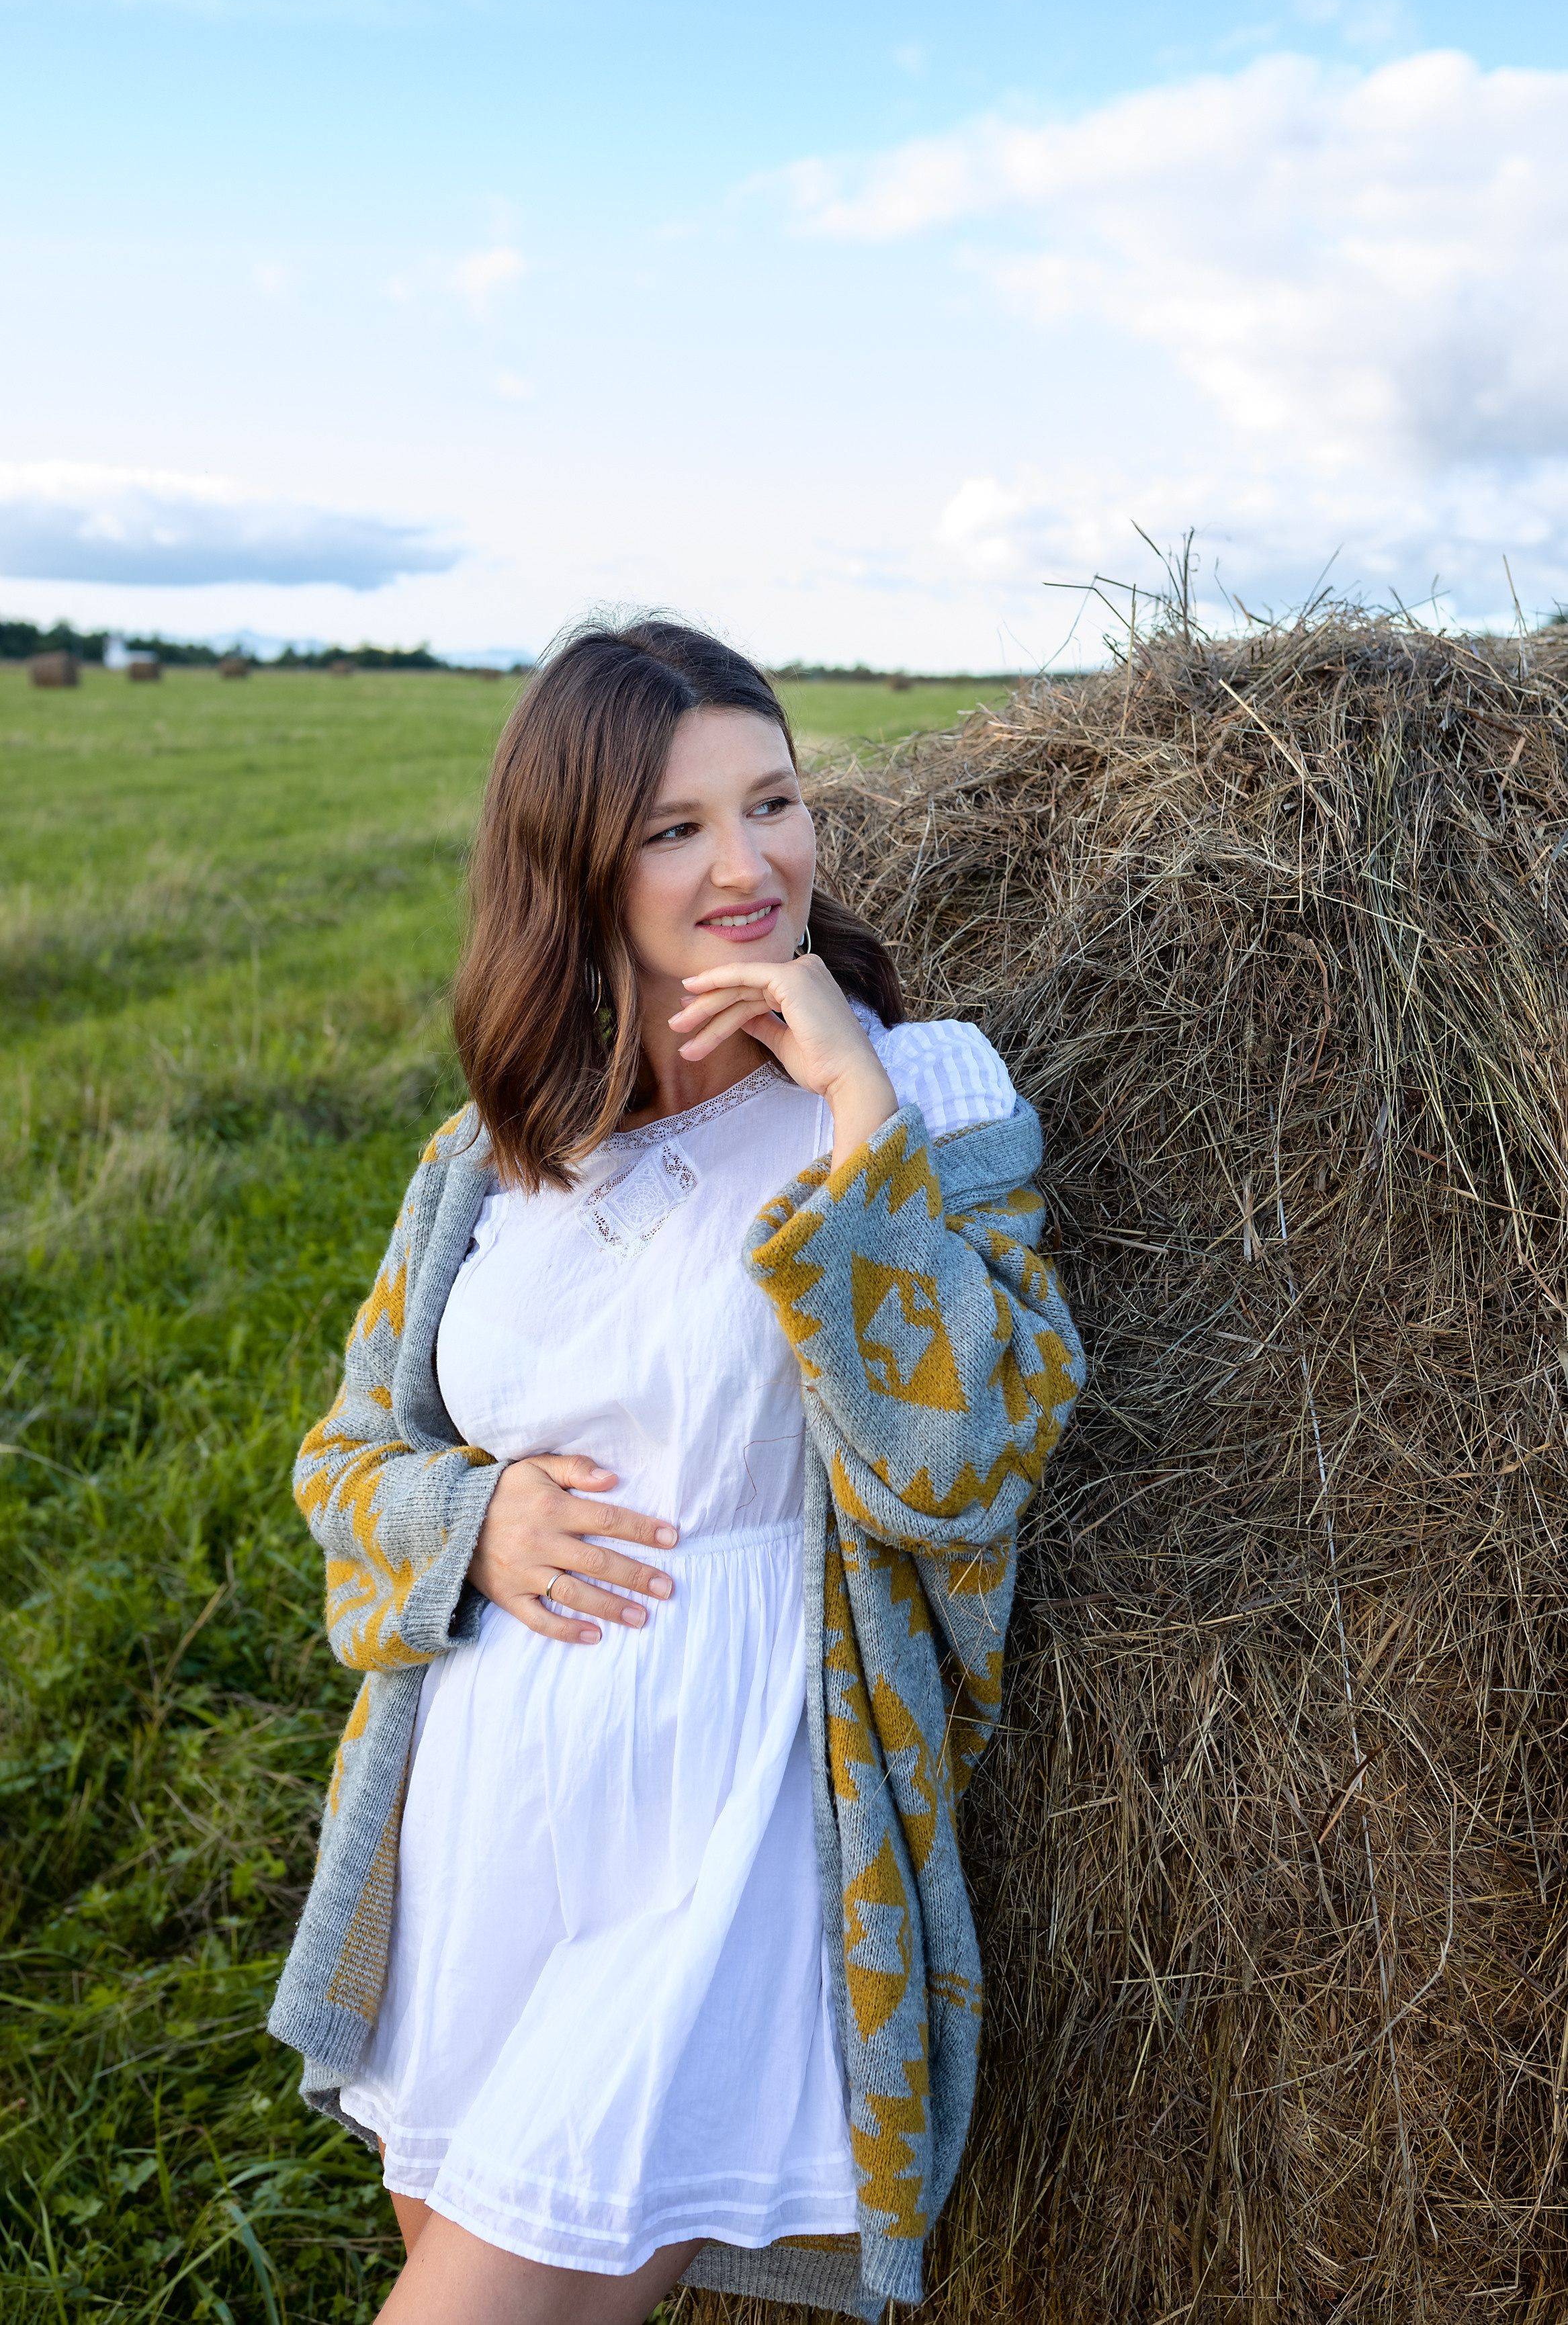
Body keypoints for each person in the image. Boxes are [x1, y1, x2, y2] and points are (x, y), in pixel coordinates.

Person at [268, 619, 1084, 2324]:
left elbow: (970, 1452)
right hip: (484, 1816)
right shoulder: (491, 1156)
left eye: (773, 800)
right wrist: (469, 1518)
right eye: (678, 827)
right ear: (578, 865)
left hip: (729, 1825)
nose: (751, 861)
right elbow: (349, 1456)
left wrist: (853, 1102)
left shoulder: (919, 1095)